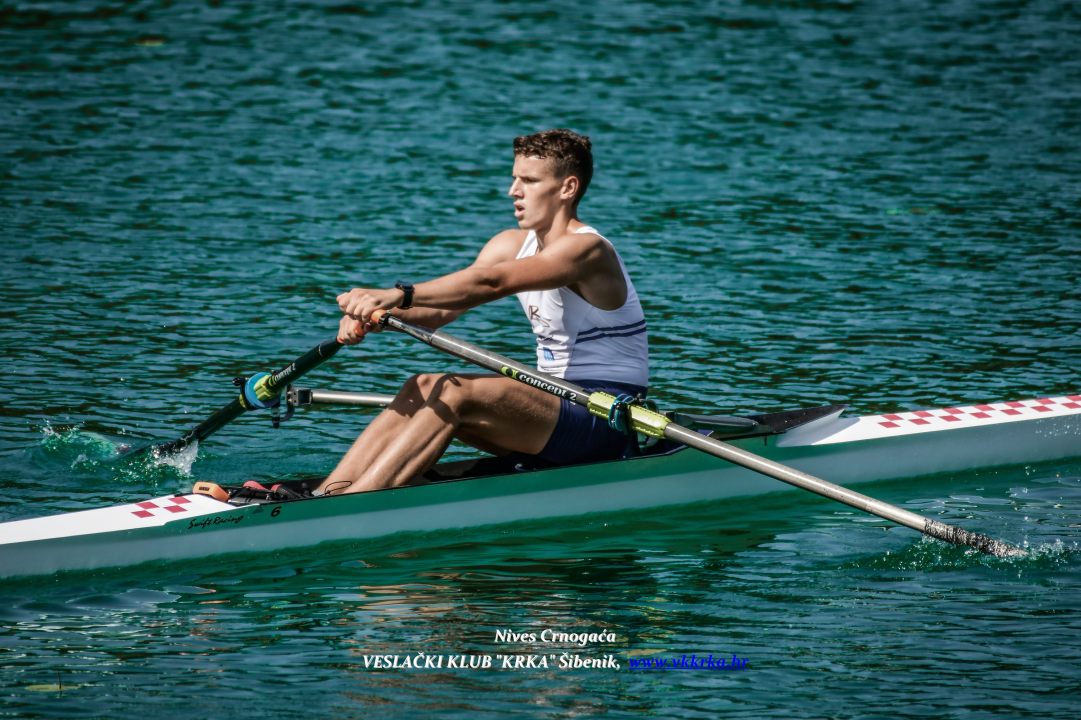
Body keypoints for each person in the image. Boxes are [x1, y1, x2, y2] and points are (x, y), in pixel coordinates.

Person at [316, 129, 649, 496]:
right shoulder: (510, 244)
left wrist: (397, 294)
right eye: (514, 179)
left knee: (456, 392)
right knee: (421, 384)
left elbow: (491, 283)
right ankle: (325, 494)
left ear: (567, 188)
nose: (514, 191)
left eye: (529, 181)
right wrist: (379, 316)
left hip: (605, 414)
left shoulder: (588, 250)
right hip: (554, 402)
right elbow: (441, 311)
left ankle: (356, 503)